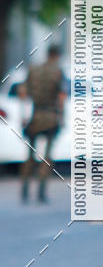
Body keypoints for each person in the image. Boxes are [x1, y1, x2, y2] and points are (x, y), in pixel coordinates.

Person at [20, 45, 67, 203]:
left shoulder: (33, 70)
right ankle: (41, 192)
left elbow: (23, 93)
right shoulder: (57, 72)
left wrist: (24, 115)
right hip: (50, 116)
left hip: (34, 115)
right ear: (56, 55)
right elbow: (61, 95)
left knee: (29, 154)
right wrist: (61, 116)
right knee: (47, 156)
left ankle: (25, 190)